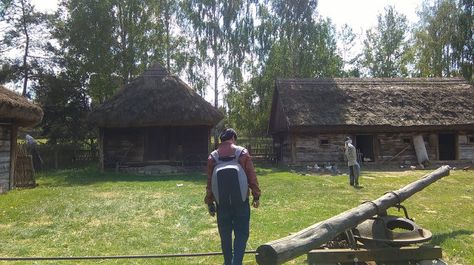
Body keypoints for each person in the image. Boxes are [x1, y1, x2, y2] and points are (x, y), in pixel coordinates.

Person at [205, 128, 261, 265]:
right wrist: (256, 195)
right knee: (241, 233)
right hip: (241, 201)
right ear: (233, 138)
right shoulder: (242, 153)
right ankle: (237, 262)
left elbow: (210, 181)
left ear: (222, 140)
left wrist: (210, 202)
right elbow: (251, 176)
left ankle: (227, 262)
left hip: (221, 202)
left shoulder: (213, 156)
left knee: (225, 235)